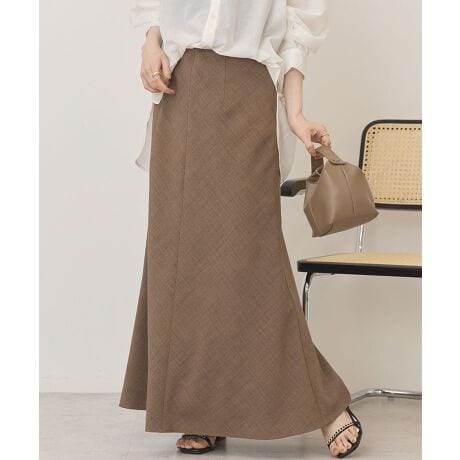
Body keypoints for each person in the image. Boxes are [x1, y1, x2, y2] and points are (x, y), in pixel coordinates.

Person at [119, 1, 363, 458]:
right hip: (179, 88)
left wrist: (296, 113)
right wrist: (150, 43)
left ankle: (325, 402)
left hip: (246, 91)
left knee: (252, 260)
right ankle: (200, 411)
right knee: (183, 262)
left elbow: (297, 25)